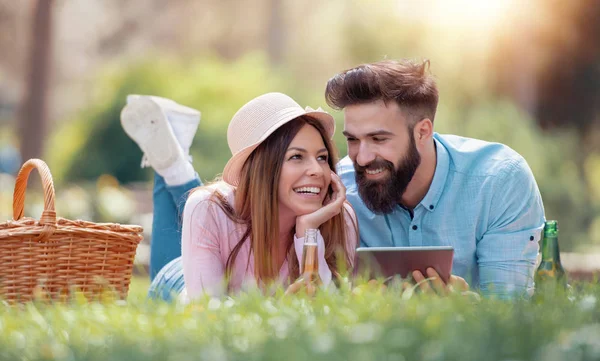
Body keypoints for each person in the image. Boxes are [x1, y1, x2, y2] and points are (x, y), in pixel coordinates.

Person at [325, 59, 545, 299]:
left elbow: (509, 308)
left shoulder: (499, 180)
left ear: (422, 132)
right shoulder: (339, 188)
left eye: (378, 139)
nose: (363, 158)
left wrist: (464, 309)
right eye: (353, 140)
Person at [121, 93, 358, 301]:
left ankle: (174, 166)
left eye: (322, 157)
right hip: (179, 284)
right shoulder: (208, 207)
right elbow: (205, 308)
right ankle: (175, 170)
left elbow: (331, 309)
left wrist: (308, 231)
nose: (318, 170)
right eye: (297, 157)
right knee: (203, 205)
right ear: (263, 167)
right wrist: (277, 312)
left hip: (211, 261)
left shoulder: (339, 217)